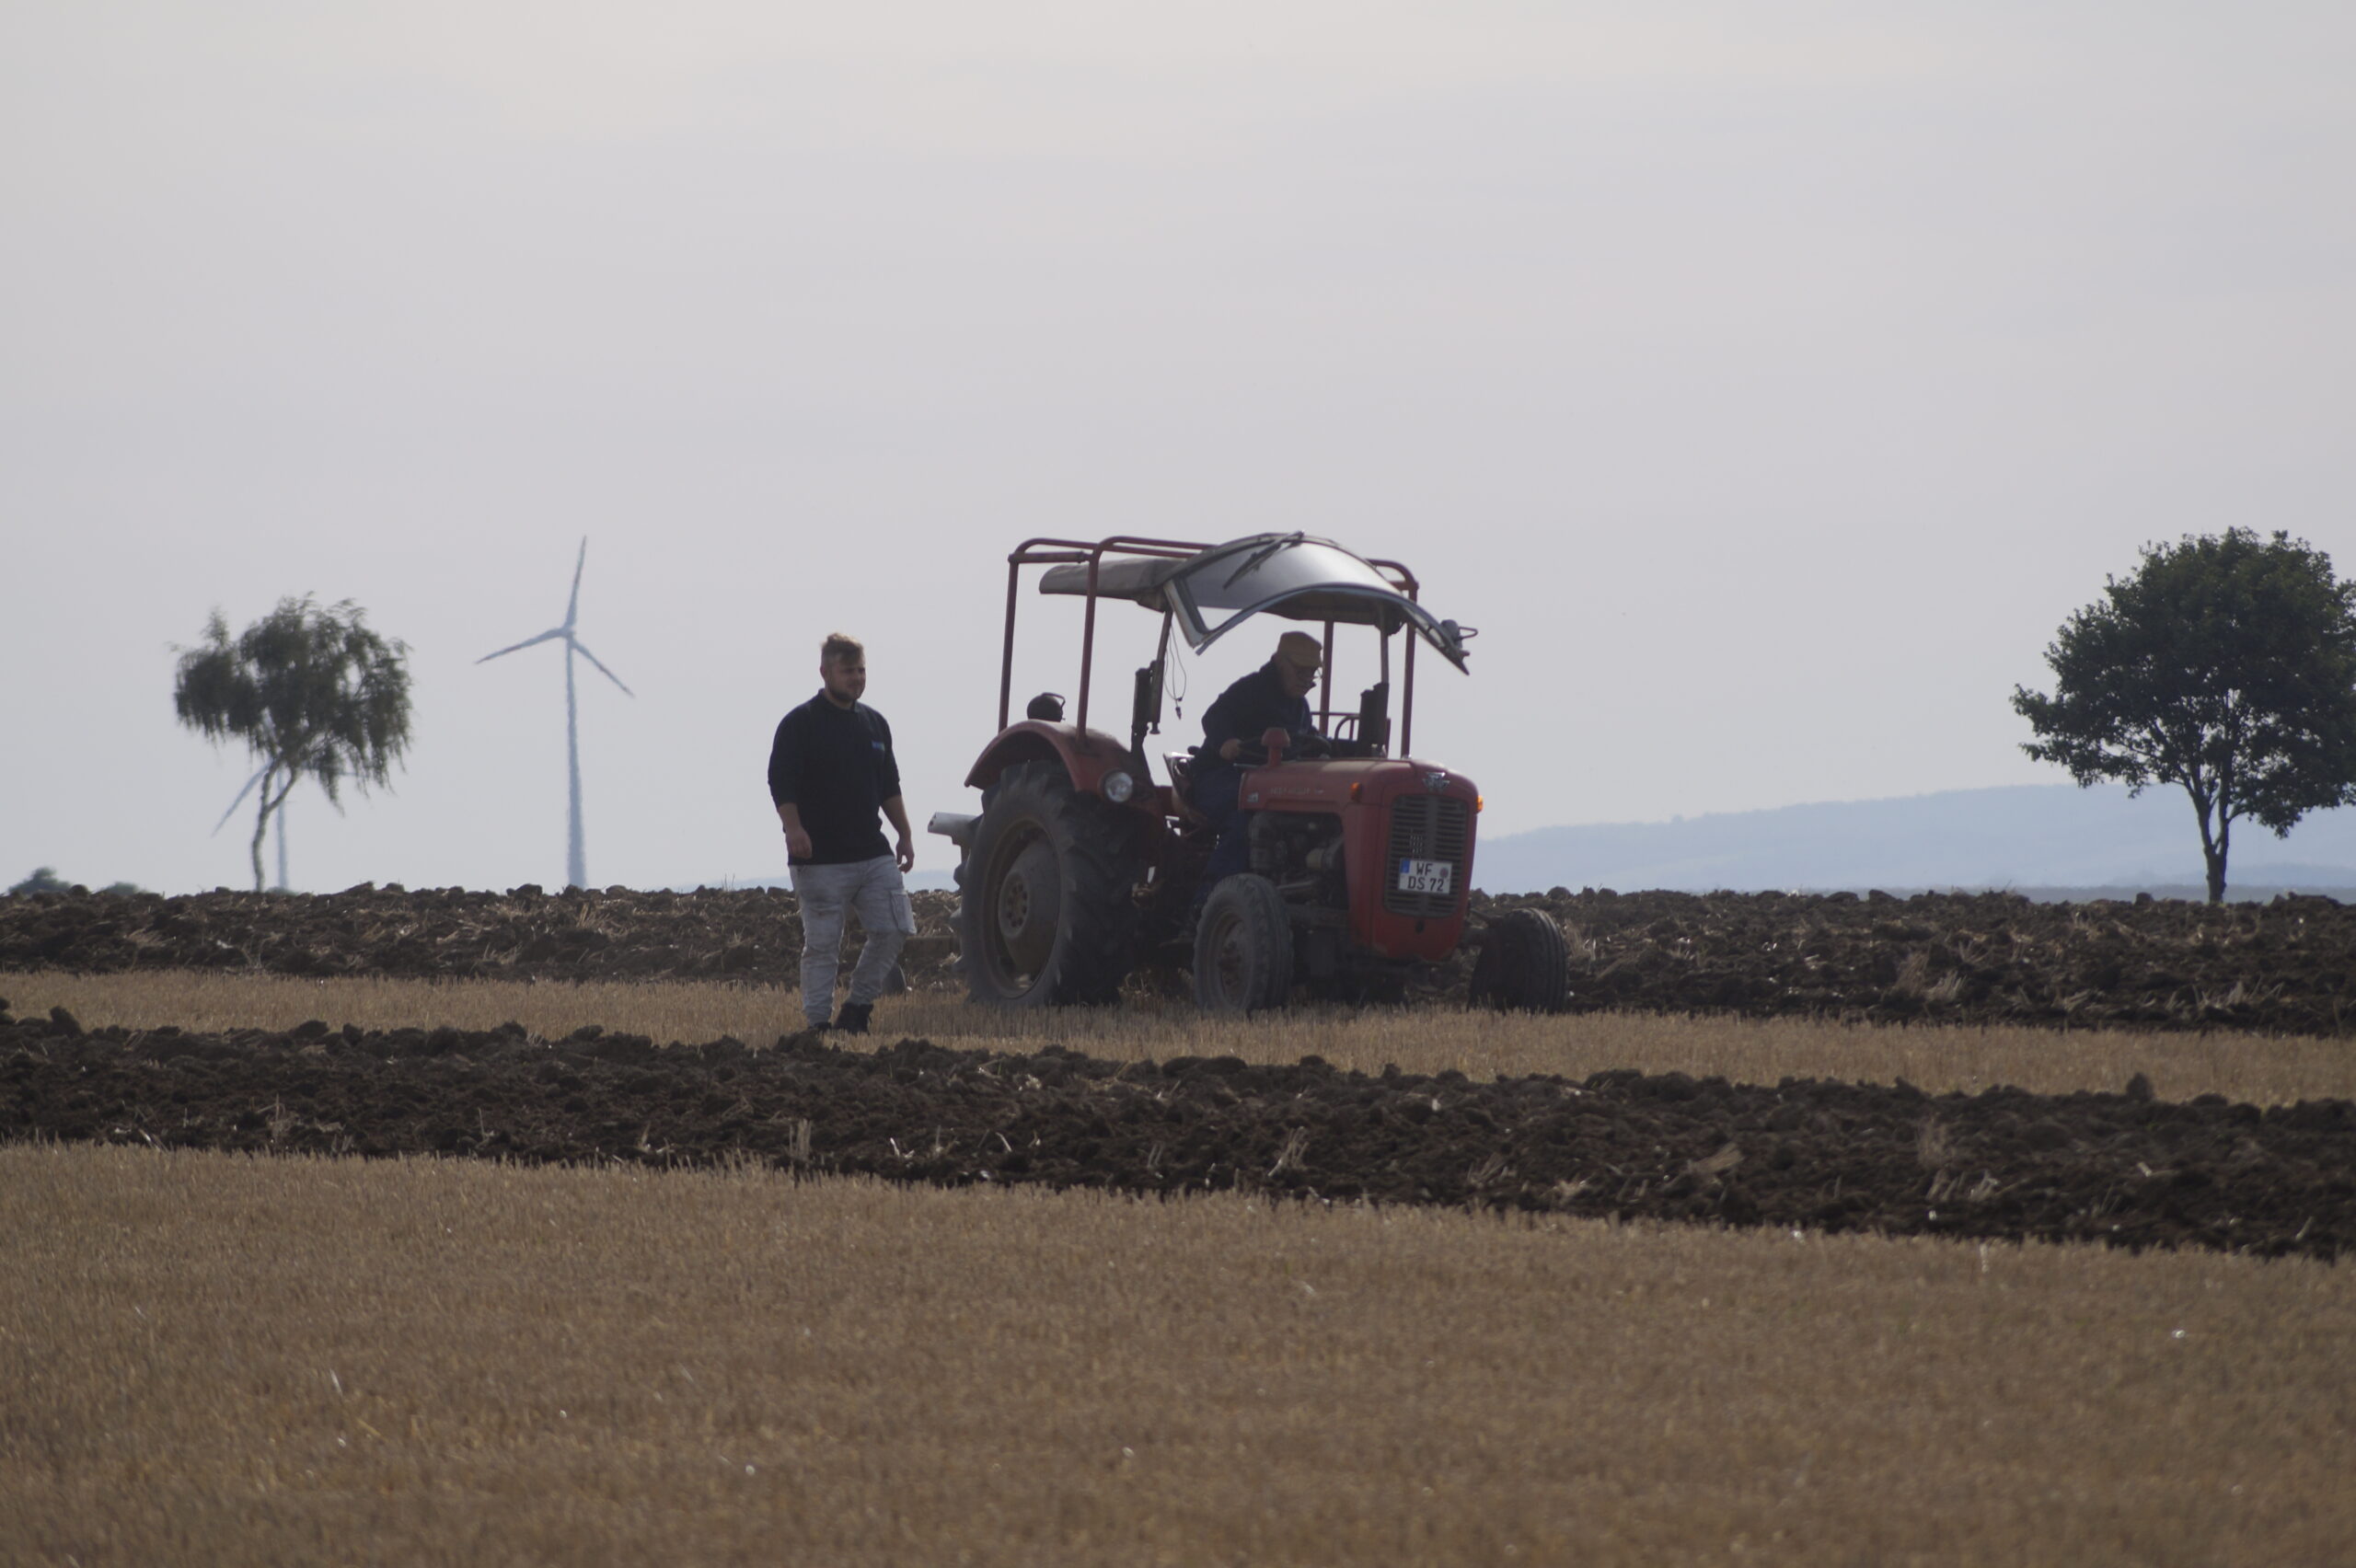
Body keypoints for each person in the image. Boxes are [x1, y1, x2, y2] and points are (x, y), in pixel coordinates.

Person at [768, 632, 917, 1034]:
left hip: (872, 852)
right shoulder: (800, 724)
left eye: (861, 670)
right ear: (825, 672)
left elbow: (889, 784)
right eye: (848, 671)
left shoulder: (874, 723)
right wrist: (793, 829)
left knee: (895, 927)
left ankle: (858, 1008)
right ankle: (817, 1024)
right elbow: (781, 782)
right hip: (818, 859)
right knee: (822, 946)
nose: (856, 678)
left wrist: (904, 833)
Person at [1191, 630, 1327, 892]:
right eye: (1301, 671)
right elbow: (1213, 716)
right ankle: (1209, 902)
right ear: (1279, 662)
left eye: (1311, 673)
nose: (1307, 680)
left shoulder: (1300, 708)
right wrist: (1225, 742)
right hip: (1222, 774)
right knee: (1246, 823)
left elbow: (1306, 737)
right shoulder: (1251, 690)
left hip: (1271, 783)